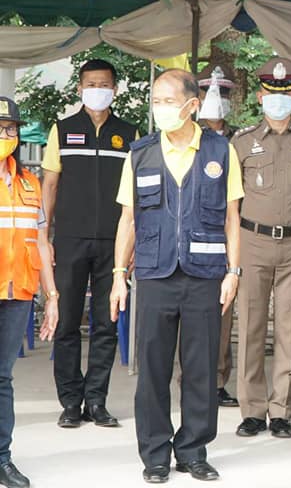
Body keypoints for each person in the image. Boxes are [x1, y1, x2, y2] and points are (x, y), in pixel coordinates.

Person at [110, 68, 243, 484]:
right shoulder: (140, 154)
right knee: (152, 368)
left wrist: (233, 272)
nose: (161, 108)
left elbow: (233, 218)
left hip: (205, 275)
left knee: (201, 367)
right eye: (156, 101)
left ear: (192, 105)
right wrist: (118, 275)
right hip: (155, 272)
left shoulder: (221, 151)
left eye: (169, 101)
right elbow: (128, 219)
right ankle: (155, 455)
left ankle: (193, 451)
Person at [231, 58, 291, 439]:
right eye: (272, 93)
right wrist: (231, 256)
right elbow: (230, 206)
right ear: (260, 97)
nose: (279, 100)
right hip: (252, 242)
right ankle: (252, 410)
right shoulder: (241, 142)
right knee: (251, 326)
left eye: (286, 94)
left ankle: (282, 411)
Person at [41, 58, 138, 428]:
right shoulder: (63, 130)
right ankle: (70, 401)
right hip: (69, 240)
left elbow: (136, 195)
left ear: (115, 89)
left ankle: (96, 400)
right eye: (91, 84)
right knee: (66, 322)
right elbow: (50, 185)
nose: (98, 90)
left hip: (114, 244)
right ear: (80, 88)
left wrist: (132, 246)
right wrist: (45, 236)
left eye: (105, 84)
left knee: (106, 324)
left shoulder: (128, 133)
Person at [0, 97, 59, 488]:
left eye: (10, 129)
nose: (5, 135)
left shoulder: (29, 183)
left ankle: (2, 458)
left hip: (17, 293)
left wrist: (51, 296)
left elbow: (40, 241)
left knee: (2, 378)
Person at [196, 63, 239, 408]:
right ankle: (191, 379)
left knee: (223, 314)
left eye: (222, 92)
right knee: (190, 314)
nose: (216, 97)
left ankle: (217, 380)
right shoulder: (187, 134)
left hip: (229, 233)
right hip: (194, 233)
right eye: (210, 91)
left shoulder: (240, 138)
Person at [196, 64, 236, 138]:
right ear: (198, 96)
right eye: (208, 90)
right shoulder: (190, 134)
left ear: (230, 97)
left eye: (223, 90)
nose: (216, 96)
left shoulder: (239, 136)